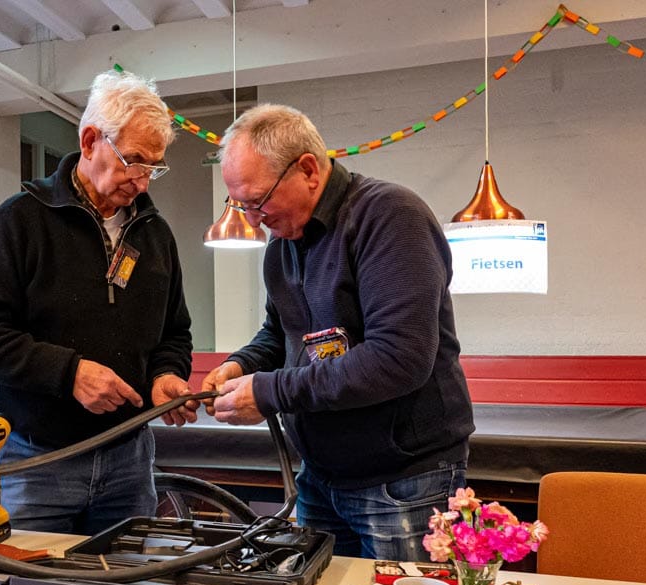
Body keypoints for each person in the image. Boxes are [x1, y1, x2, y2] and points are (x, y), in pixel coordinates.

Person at [202, 103, 474, 560]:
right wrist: (241, 365)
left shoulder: (390, 216)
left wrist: (270, 392)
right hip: (320, 477)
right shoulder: (283, 245)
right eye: (240, 205)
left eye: (258, 201)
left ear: (308, 170)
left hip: (403, 479)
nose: (252, 219)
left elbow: (399, 359)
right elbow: (280, 334)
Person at [0, 70, 197, 536]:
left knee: (129, 581)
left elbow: (174, 332)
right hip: (35, 462)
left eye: (154, 167)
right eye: (134, 161)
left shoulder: (155, 234)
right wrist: (69, 374)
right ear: (89, 142)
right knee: (23, 579)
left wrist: (166, 374)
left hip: (129, 462)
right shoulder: (19, 221)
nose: (143, 182)